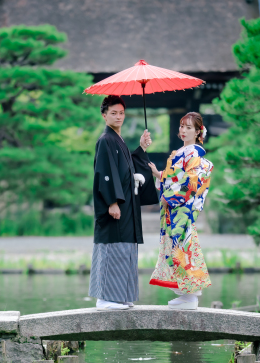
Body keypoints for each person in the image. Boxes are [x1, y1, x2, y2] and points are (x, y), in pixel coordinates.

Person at [89, 95, 160, 310]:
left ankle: (120, 296)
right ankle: (105, 298)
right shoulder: (105, 140)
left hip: (126, 204)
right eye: (113, 113)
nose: (118, 116)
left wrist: (141, 148)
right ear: (104, 115)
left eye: (121, 112)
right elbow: (105, 174)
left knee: (126, 248)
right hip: (115, 205)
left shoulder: (117, 140)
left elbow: (127, 166)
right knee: (113, 249)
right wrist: (111, 202)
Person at [147, 112, 213, 310]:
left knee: (182, 247)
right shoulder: (182, 152)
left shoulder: (193, 153)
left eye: (189, 127)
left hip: (181, 207)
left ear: (198, 131)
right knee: (179, 248)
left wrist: (169, 196)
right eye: (182, 126)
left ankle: (190, 295)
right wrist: (158, 174)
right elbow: (173, 178)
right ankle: (186, 294)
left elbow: (189, 183)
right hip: (174, 206)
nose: (183, 130)